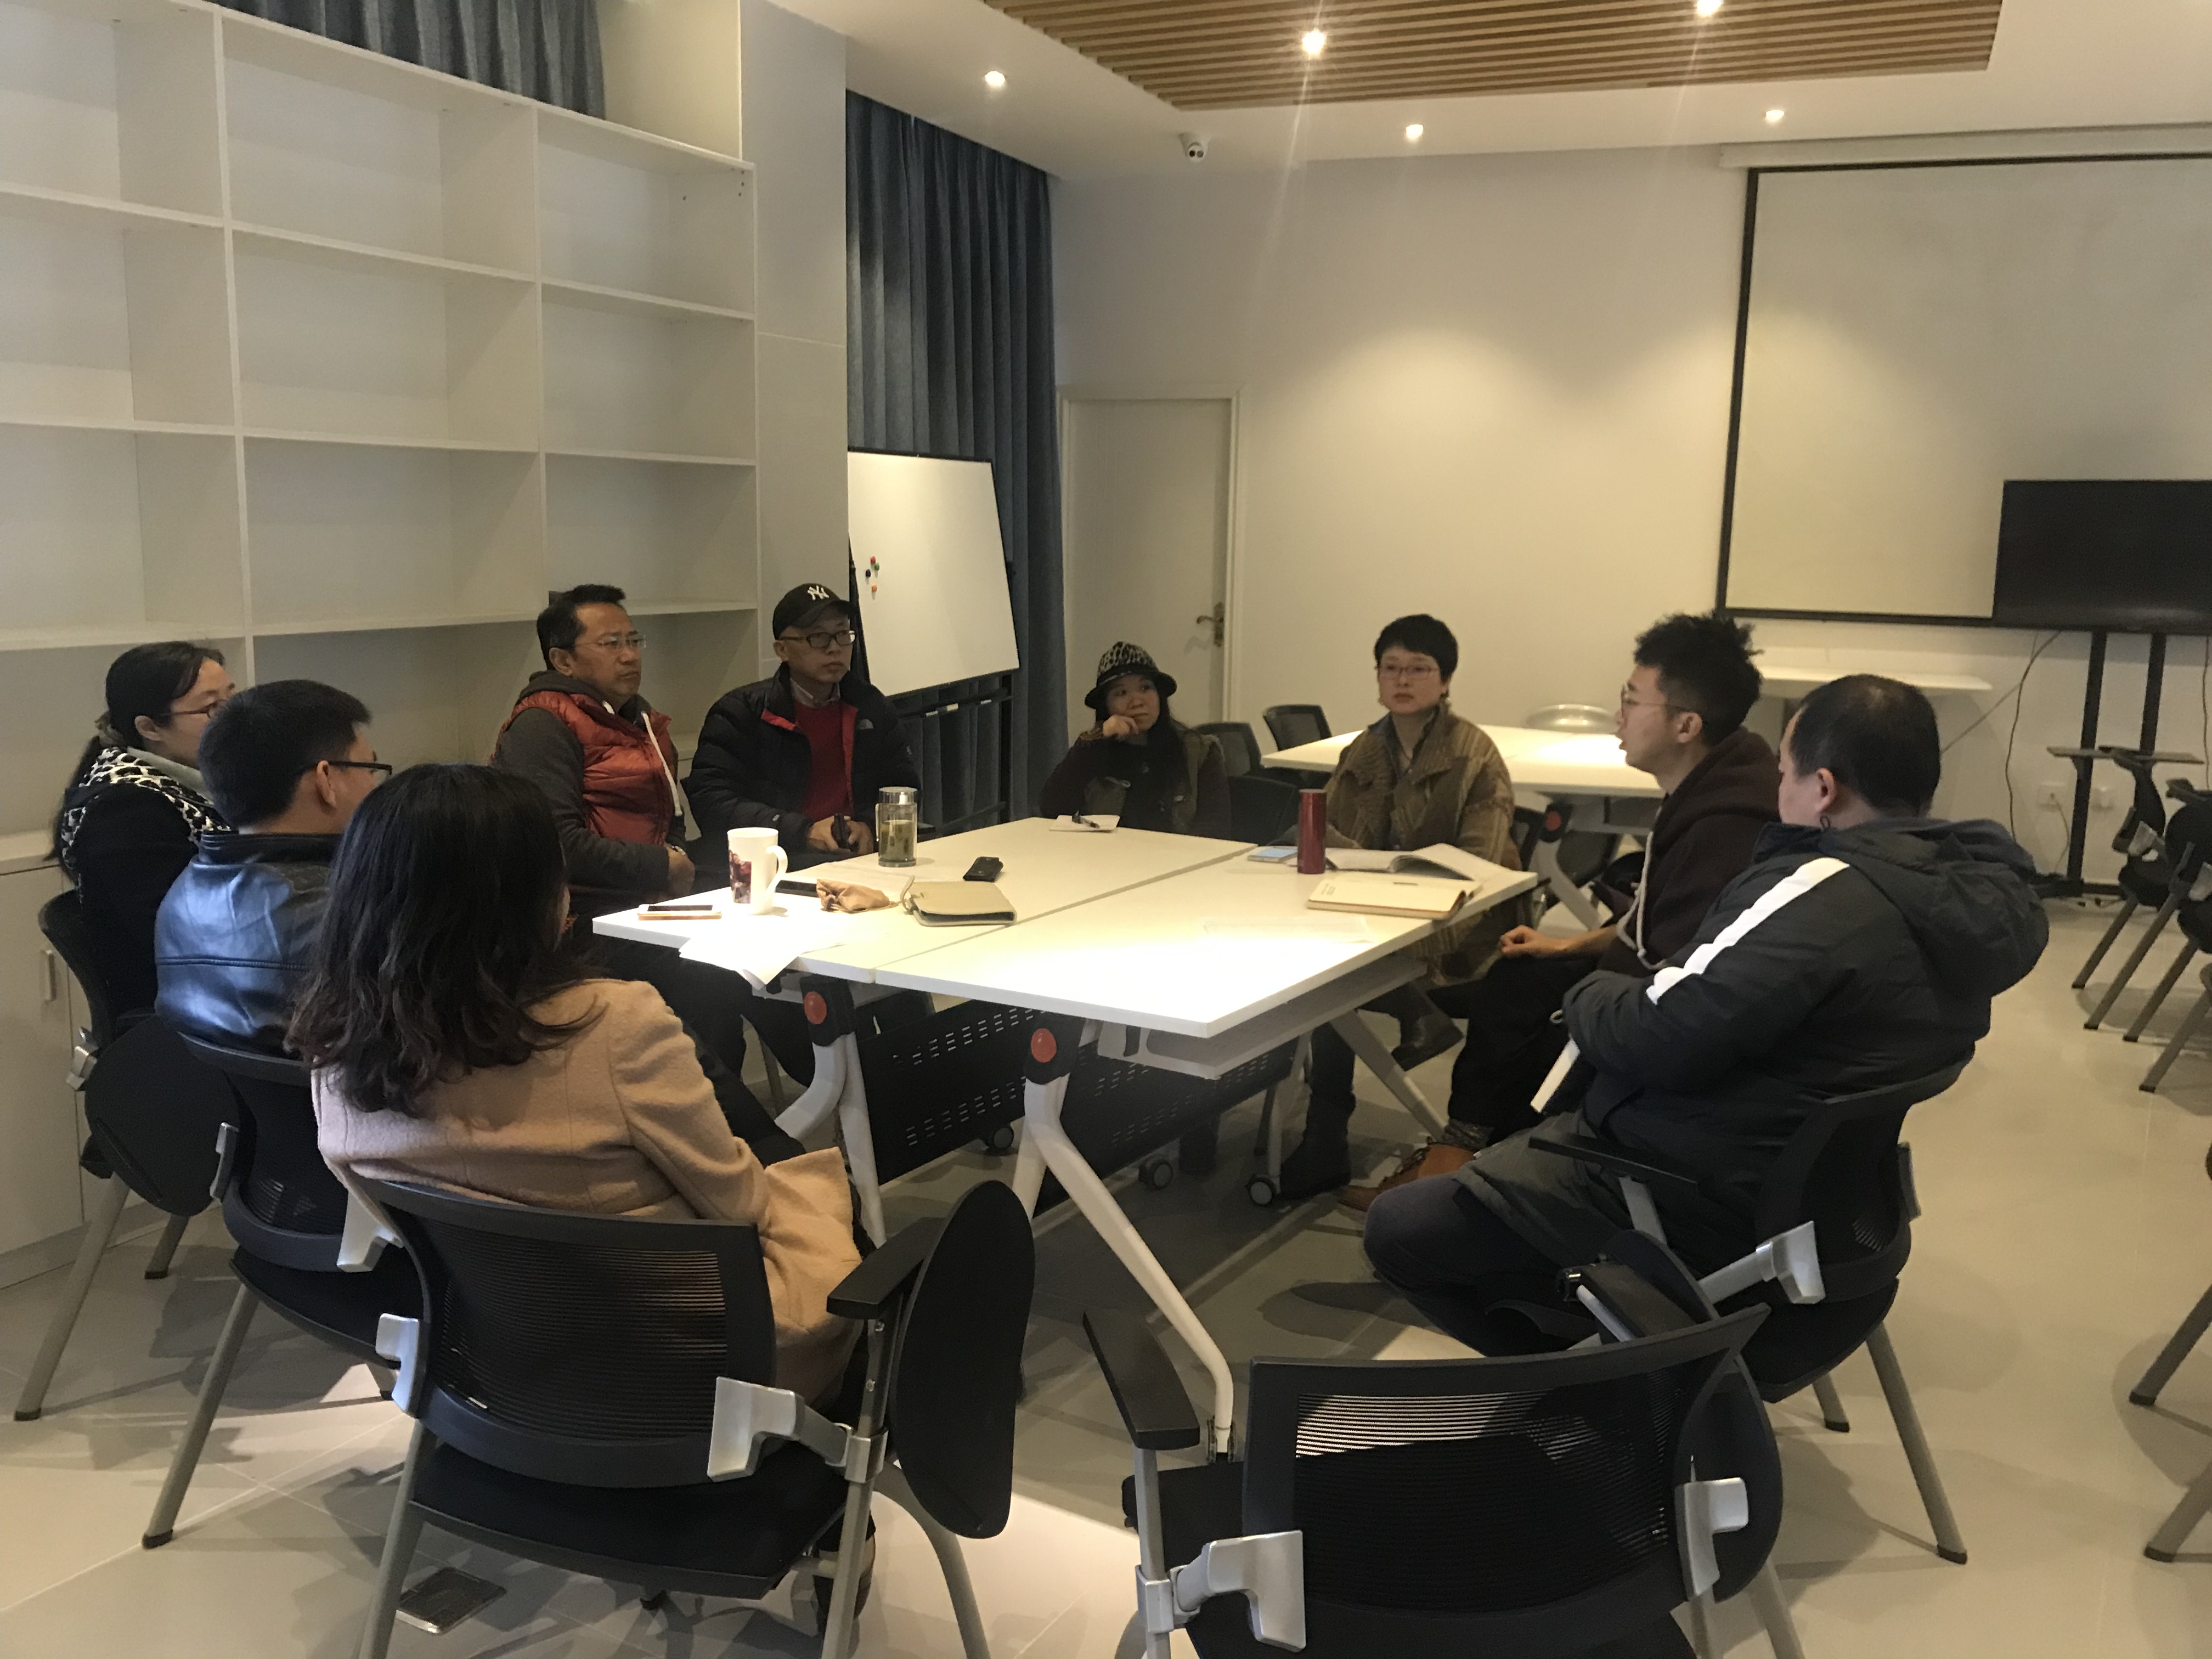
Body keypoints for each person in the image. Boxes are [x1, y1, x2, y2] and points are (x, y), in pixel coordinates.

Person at [1362, 675, 2049, 1354]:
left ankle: (1613, 1385)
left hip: (1696, 1204)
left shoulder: (1824, 896)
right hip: (1834, 1221)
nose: (1777, 789)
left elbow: (1654, 1032)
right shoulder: (1970, 898)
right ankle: (1617, 1374)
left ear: (1823, 789)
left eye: (1785, 771)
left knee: (1399, 1231)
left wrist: (1589, 993)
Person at [296, 765, 860, 1402]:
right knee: (831, 1207)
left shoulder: (333, 1055)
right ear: (534, 896)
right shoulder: (614, 1026)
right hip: (701, 1368)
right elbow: (741, 1208)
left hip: (501, 1367)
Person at [1342, 611, 1778, 1210]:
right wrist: (1569, 945)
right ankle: (1463, 1162)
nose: (1619, 716)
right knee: (1522, 978)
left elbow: (1674, 966)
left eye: (1631, 700)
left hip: (1666, 1026)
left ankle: (1475, 1175)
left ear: (1686, 725)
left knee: (1524, 1013)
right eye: (1390, 668)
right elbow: (1653, 920)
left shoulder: (1725, 821)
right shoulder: (1717, 784)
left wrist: (1585, 994)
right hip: (1649, 993)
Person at [1276, 613, 1525, 1200]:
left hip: (1462, 938)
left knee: (1335, 983)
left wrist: (1404, 915)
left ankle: (1328, 1132)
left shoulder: (1474, 756)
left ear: (1446, 680)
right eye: (1391, 668)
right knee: (1326, 974)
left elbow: (1481, 871)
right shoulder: (1364, 749)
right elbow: (1330, 838)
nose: (1403, 680)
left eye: (1419, 669)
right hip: (1375, 921)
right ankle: (1326, 1136)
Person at [491, 584, 770, 1099]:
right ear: (562, 660)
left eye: (634, 640)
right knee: (710, 980)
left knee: (760, 952)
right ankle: (714, 1117)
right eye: (611, 644)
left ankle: (830, 1087)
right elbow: (555, 845)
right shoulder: (542, 725)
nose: (629, 655)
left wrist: (674, 860)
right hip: (581, 920)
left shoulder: (637, 718)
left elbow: (669, 816)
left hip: (649, 905)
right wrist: (660, 867)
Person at [155, 681, 382, 1054]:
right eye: (370, 768)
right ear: (326, 780)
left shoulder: (180, 897)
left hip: (232, 1095)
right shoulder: (358, 917)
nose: (375, 787)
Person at [52, 642, 234, 1018]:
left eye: (232, 700)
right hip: (184, 1009)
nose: (232, 719)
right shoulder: (125, 809)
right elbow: (178, 937)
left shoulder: (197, 781)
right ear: (149, 728)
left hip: (217, 987)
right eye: (211, 708)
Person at [687, 583, 922, 871]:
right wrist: (802, 832)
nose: (834, 648)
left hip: (860, 861)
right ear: (782, 650)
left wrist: (870, 827)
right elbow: (712, 803)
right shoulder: (741, 712)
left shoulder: (871, 706)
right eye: (818, 637)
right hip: (779, 862)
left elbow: (903, 787)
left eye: (842, 635)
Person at [1039, 643, 1231, 837]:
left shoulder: (1199, 751)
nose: (1137, 701)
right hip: (1108, 854)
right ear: (1106, 706)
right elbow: (1052, 808)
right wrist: (1095, 738)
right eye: (1121, 693)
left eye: (1146, 688)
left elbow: (1215, 829)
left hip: (1180, 854)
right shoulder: (1094, 751)